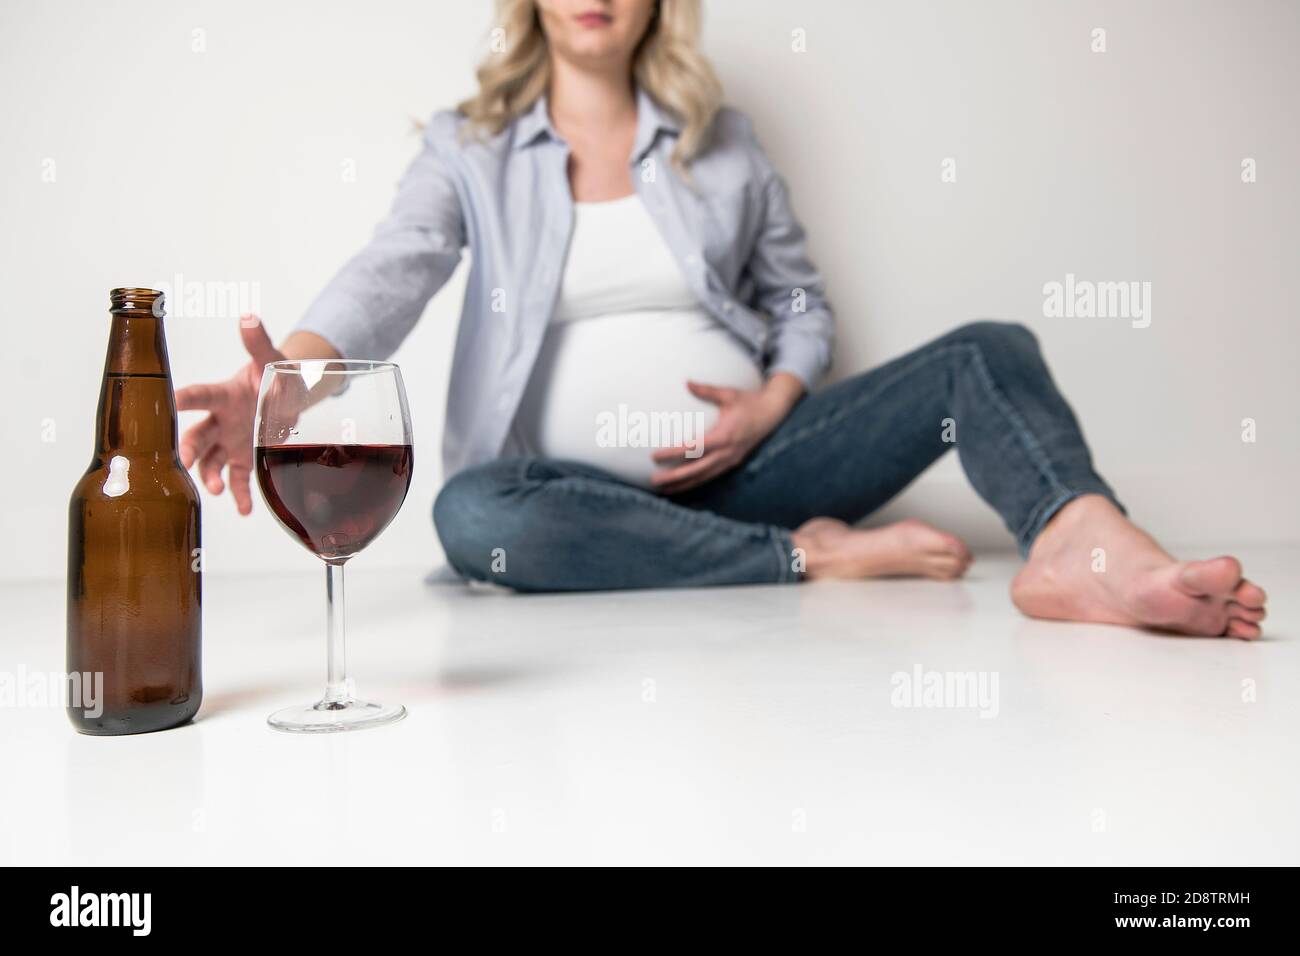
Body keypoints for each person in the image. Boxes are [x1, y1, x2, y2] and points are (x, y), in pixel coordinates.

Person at [176, 0, 1266, 638]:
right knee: (471, 513)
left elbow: (801, 302)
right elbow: (394, 266)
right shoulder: (470, 147)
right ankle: (805, 558)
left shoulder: (724, 143)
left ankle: (1086, 550)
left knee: (990, 349)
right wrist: (289, 382)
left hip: (763, 459)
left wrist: (773, 400)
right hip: (568, 498)